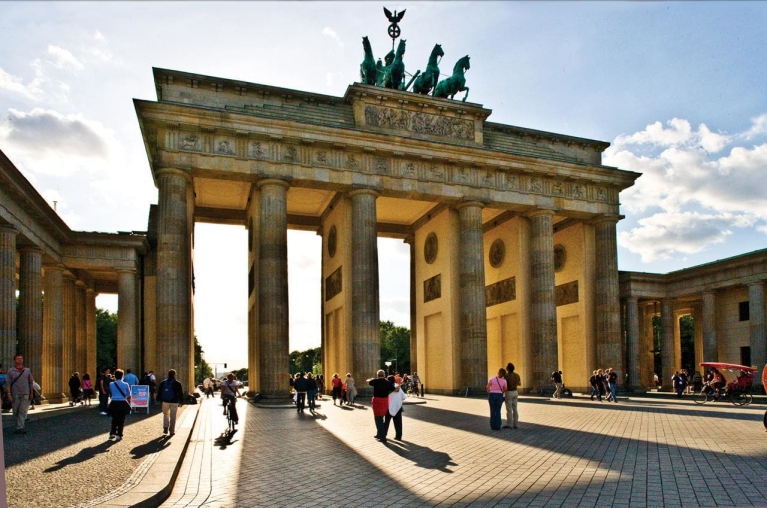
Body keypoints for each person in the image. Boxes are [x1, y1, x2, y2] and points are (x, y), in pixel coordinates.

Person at [5, 354, 35, 434]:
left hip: (26, 393)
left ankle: (20, 427)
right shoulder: (11, 371)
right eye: (18, 359)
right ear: (14, 360)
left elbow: (31, 383)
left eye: (21, 358)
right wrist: (8, 394)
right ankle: (17, 425)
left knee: (23, 411)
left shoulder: (27, 370)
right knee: (15, 411)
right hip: (15, 393)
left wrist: (31, 394)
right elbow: (8, 383)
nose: (20, 360)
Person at [368, 370, 395, 442]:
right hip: (385, 401)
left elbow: (369, 382)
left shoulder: (375, 381)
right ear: (384, 375)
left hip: (377, 400)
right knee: (381, 417)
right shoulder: (387, 382)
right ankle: (379, 434)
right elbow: (392, 389)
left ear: (377, 375)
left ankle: (382, 437)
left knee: (378, 418)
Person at [158, 369, 184, 436]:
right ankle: (172, 431)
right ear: (174, 375)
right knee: (173, 416)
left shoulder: (163, 382)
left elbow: (159, 392)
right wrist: (181, 401)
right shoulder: (177, 383)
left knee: (165, 414)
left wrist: (160, 399)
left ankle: (165, 427)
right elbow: (180, 393)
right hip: (174, 401)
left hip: (165, 401)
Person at [108, 369, 131, 441]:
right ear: (122, 376)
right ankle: (119, 434)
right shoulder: (126, 384)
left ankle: (112, 433)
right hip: (122, 402)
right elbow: (128, 395)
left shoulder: (111, 384)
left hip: (114, 402)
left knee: (114, 418)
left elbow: (111, 393)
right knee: (121, 419)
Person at [384, 376, 408, 440]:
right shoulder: (398, 387)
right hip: (398, 407)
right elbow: (404, 397)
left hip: (388, 407)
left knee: (386, 422)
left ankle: (383, 434)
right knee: (398, 423)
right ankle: (398, 436)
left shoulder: (386, 387)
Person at [502, 362, 521, 429]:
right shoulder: (517, 375)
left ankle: (509, 424)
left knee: (509, 409)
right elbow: (519, 384)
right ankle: (516, 424)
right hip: (515, 392)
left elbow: (503, 385)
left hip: (508, 392)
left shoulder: (506, 376)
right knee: (515, 408)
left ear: (508, 368)